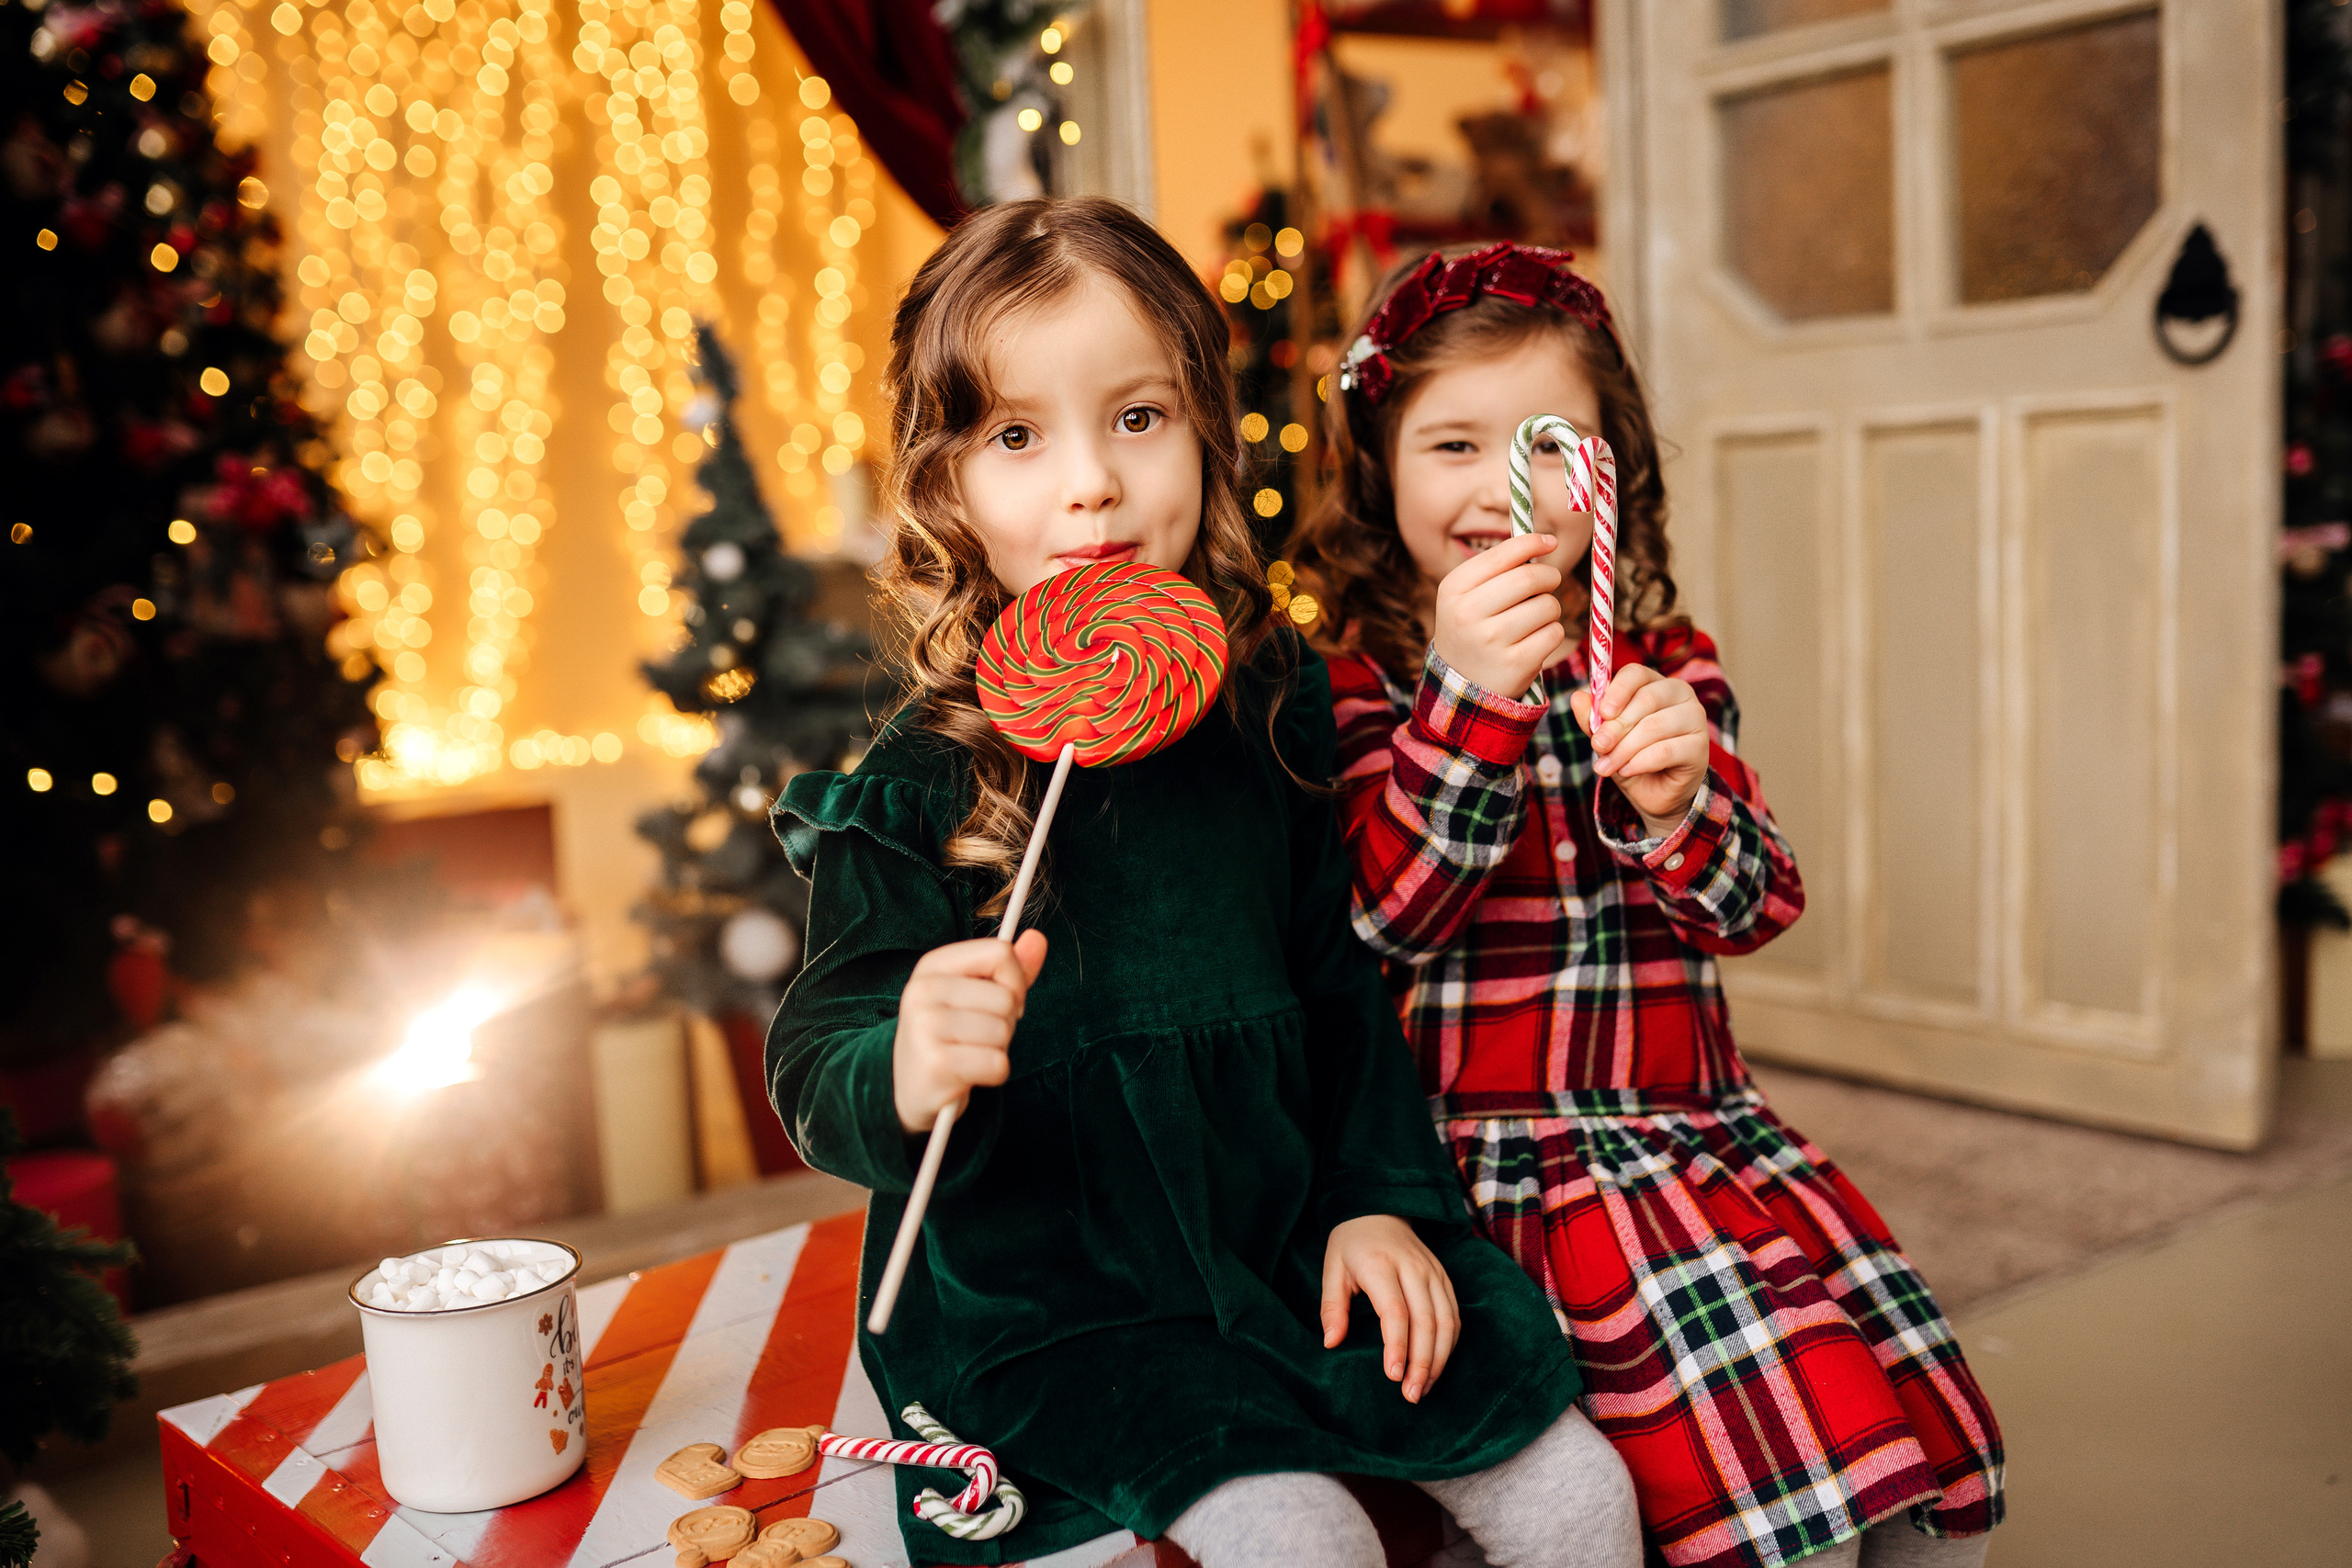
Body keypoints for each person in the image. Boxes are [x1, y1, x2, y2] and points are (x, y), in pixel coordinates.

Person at [765, 201, 1642, 1568]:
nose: (1090, 485)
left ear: (1208, 435)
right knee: (1303, 1541)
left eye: (1137, 418)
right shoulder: (911, 782)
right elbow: (817, 1056)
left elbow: (1339, 986)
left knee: (1583, 1495)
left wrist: (1379, 1200)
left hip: (1282, 1238)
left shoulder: (1273, 706)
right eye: (1016, 436)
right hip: (1058, 1296)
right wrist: (902, 1058)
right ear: (944, 487)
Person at [1283, 243, 2005, 1568]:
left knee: (1855, 1476)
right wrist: (1467, 701)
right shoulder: (1354, 693)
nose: (1505, 484)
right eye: (1451, 444)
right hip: (1476, 1166)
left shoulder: (1669, 668)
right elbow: (1383, 921)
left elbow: (1756, 905)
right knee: (1649, 1500)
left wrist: (1682, 803)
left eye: (1551, 445)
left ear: (1613, 473)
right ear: (1379, 475)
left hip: (1683, 1146)